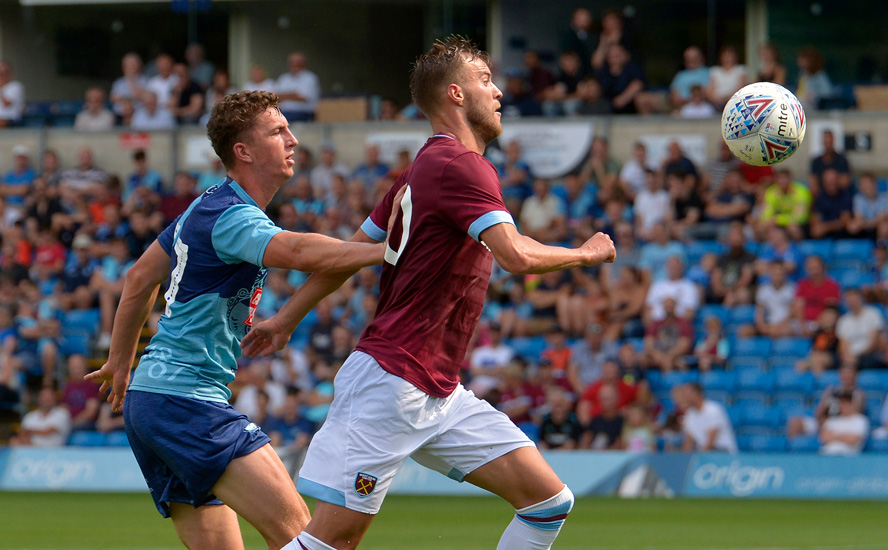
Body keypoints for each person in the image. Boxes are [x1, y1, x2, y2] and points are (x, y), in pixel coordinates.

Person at [241, 37, 616, 550]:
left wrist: (286, 320)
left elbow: (346, 256)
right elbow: (517, 256)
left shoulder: (419, 172)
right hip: (391, 383)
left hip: (438, 391)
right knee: (332, 543)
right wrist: (587, 253)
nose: (498, 90)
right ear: (456, 94)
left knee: (548, 503)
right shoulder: (462, 166)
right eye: (486, 79)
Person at [84, 91, 390, 550]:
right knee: (306, 540)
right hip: (188, 404)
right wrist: (390, 251)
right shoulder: (231, 216)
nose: (293, 139)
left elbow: (139, 277)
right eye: (278, 131)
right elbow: (300, 252)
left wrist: (122, 363)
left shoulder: (205, 205)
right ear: (243, 152)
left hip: (152, 402)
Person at [677, 383, 736, 453]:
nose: (684, 398)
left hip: (722, 452)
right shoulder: (690, 414)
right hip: (704, 454)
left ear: (697, 394)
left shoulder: (713, 410)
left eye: (687, 395)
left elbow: (710, 443)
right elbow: (688, 442)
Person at [277, 52, 320, 122]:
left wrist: (285, 95)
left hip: (303, 113)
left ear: (303, 63)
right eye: (292, 62)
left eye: (298, 62)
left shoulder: (310, 78)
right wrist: (293, 95)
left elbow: (303, 98)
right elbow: (276, 97)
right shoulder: (283, 78)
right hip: (283, 112)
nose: (295, 64)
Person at [0, 61, 24, 127]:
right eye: (1, 73)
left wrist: (1, 89)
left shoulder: (16, 86)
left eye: (5, 72)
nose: (2, 75)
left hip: (11, 120)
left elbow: (7, 104)